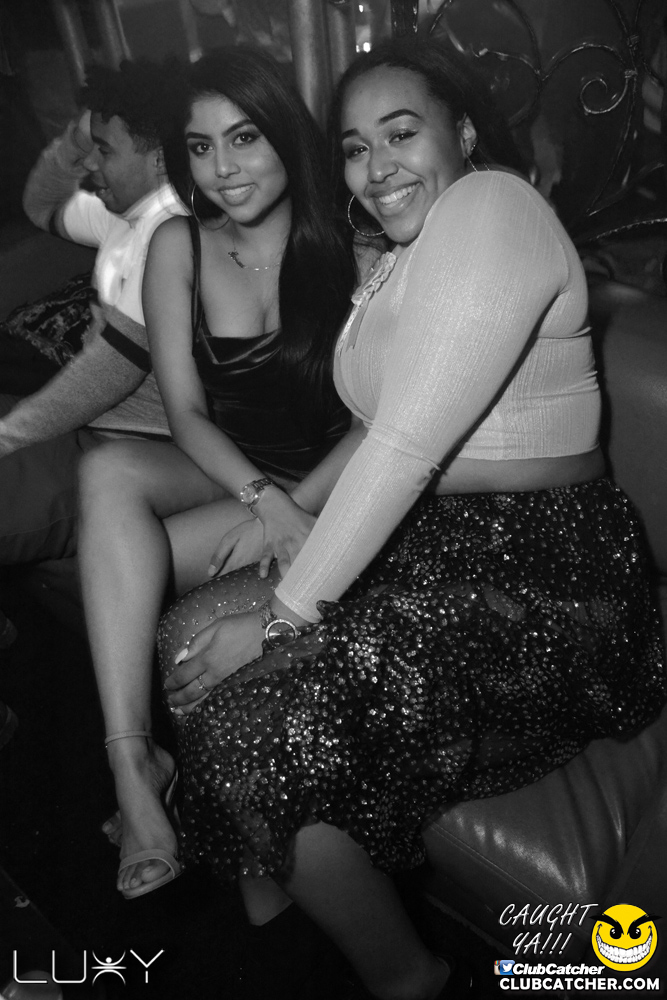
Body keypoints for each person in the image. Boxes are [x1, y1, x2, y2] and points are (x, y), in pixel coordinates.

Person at [157, 39, 667, 1000]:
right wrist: (286, 514)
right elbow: (376, 428)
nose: (375, 166)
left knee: (249, 720)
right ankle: (273, 887)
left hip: (550, 572)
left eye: (400, 134)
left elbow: (404, 446)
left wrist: (283, 613)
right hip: (439, 541)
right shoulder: (401, 258)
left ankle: (410, 980)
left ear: (462, 131)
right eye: (354, 148)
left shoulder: (493, 207)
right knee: (190, 627)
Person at [77, 48, 357, 900]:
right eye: (200, 147)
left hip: (335, 487)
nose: (223, 168)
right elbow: (187, 413)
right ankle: (132, 762)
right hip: (238, 474)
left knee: (123, 570)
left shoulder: (357, 244)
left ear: (286, 134)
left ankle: (188, 798)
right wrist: (263, 501)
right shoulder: (179, 245)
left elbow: (383, 427)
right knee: (106, 473)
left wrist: (292, 509)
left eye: (243, 138)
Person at [0, 60, 185, 574]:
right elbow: (42, 204)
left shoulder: (174, 231)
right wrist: (79, 133)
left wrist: (7, 435)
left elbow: (108, 374)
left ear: (160, 158)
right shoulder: (128, 214)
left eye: (105, 150)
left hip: (134, 447)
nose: (88, 165)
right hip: (91, 426)